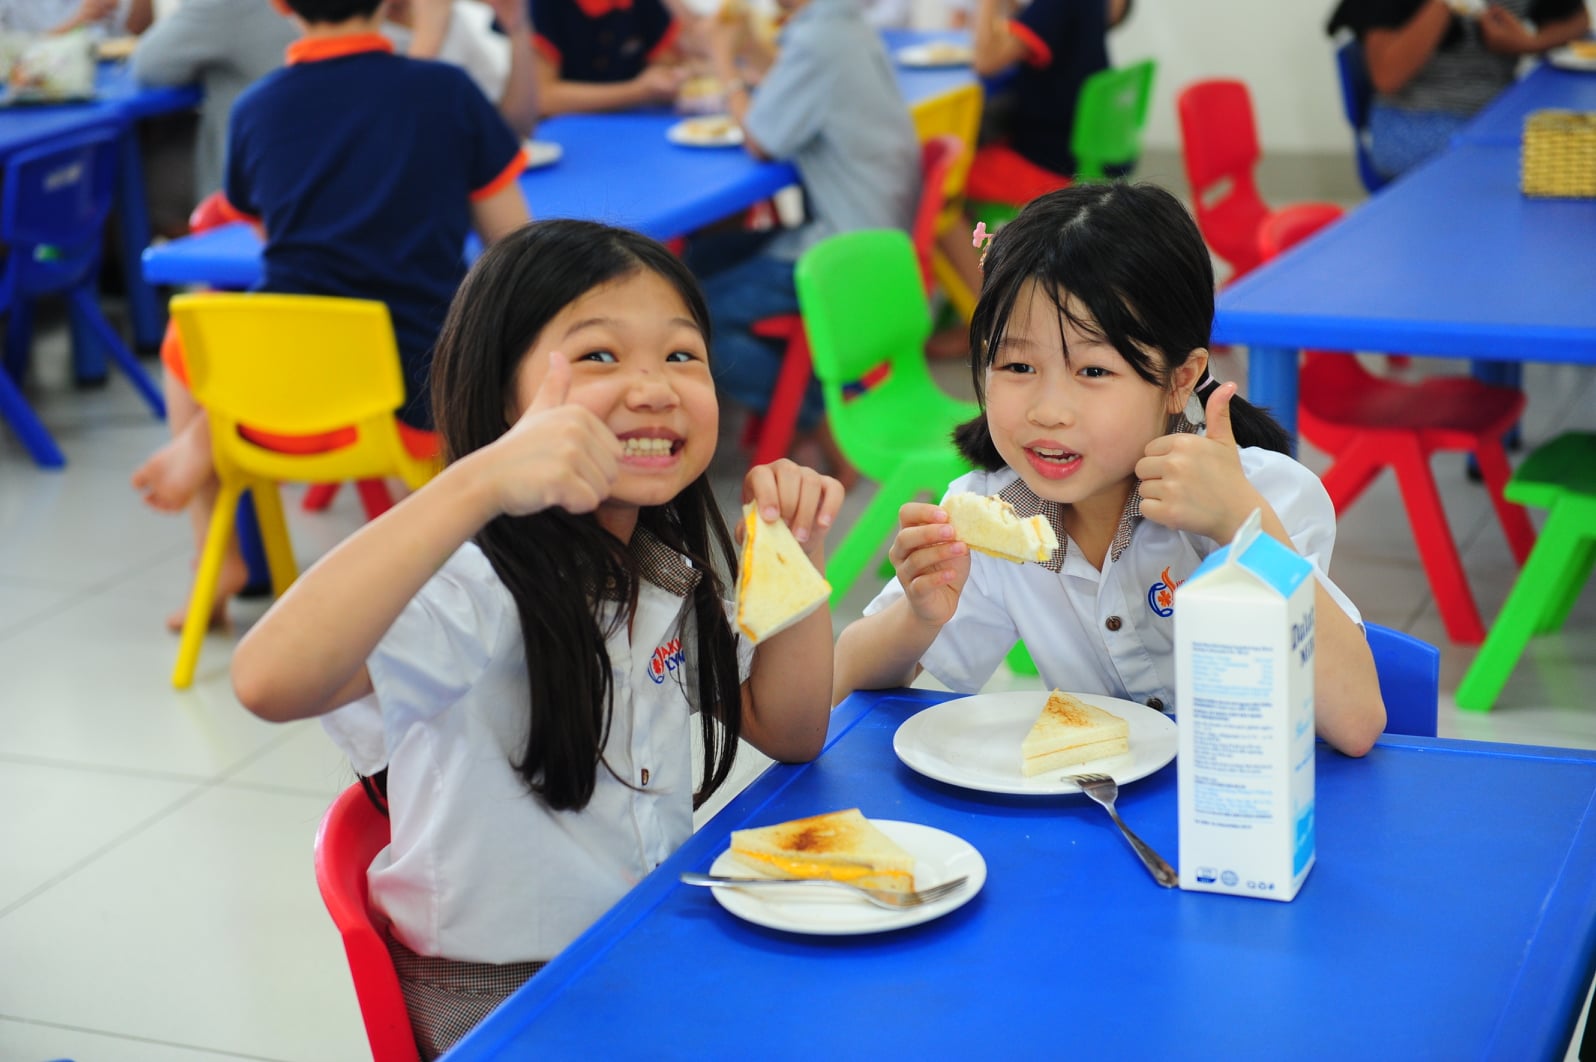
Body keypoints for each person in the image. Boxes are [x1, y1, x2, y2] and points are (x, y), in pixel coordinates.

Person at [230, 219, 842, 1057]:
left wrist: (793, 554)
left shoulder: (657, 564)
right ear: (504, 398)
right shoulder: (475, 585)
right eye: (598, 355)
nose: (653, 388)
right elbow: (267, 679)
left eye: (681, 355)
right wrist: (480, 479)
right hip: (506, 1000)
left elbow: (791, 728)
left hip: (635, 944)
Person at [833, 183, 1388, 758]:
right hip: (1100, 802)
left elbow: (1356, 721)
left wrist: (1242, 524)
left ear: (1180, 379)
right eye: (1017, 365)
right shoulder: (995, 512)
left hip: (1250, 800)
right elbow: (844, 682)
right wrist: (918, 617)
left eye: (1093, 371)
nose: (1048, 411)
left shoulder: (1264, 493)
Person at [130, 0, 531, 634]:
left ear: (281, 4)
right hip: (419, 397)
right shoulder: (447, 92)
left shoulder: (256, 108)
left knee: (194, 330)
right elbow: (513, 246)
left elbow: (272, 234)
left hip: (275, 400)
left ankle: (216, 549)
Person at [693, 0, 919, 449]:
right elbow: (792, 87)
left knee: (692, 318)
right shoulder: (842, 23)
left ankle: (818, 415)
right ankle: (799, 395)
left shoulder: (818, 40)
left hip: (841, 253)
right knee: (699, 258)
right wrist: (750, 46)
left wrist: (722, 59)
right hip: (878, 236)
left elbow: (761, 140)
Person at [1327, 0, 1590, 179]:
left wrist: (1530, 43)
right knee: (1532, 168)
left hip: (1496, 116)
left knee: (1571, 156)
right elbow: (1387, 77)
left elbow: (1578, 20)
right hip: (1415, 120)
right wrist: (1444, 5)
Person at [130, 0, 297, 204]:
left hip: (258, 184)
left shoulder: (223, 6)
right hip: (312, 162)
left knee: (133, 172)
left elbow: (149, 68)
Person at [529, 0, 688, 113]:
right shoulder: (545, 6)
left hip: (635, 124)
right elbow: (542, 99)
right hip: (567, 129)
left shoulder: (643, 5)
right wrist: (637, 91)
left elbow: (668, 62)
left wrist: (670, 79)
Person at [0, 0, 149, 35]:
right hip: (35, 90)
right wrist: (77, 22)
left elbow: (139, 29)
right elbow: (13, 55)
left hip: (107, 78)